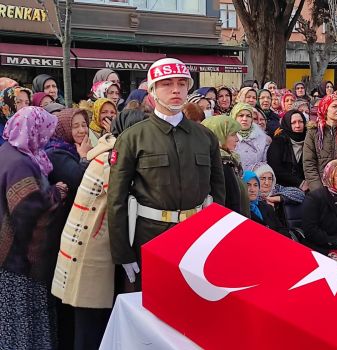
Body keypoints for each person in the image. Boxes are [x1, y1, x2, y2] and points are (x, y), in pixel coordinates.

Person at [108, 58, 226, 291]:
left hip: (197, 239)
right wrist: (123, 252)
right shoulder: (133, 138)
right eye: (167, 83)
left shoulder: (205, 137)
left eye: (182, 83)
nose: (176, 89)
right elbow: (116, 199)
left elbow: (219, 193)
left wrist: (216, 241)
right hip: (151, 239)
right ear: (152, 91)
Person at [50, 108, 145, 350]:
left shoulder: (106, 150)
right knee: (90, 325)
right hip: (89, 250)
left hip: (91, 246)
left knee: (92, 322)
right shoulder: (111, 159)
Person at [0, 107, 63, 350]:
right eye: (44, 131)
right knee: (23, 320)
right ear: (33, 131)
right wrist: (57, 193)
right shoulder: (20, 163)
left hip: (9, 259)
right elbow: (28, 209)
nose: (47, 138)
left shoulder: (9, 151)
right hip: (19, 261)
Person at [267, 110, 307, 190]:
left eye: (300, 122)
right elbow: (275, 167)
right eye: (293, 123)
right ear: (287, 124)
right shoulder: (279, 140)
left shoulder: (309, 139)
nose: (298, 125)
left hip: (307, 185)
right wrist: (299, 183)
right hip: (283, 186)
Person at [242, 170, 288, 236]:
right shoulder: (240, 210)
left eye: (255, 185)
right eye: (248, 185)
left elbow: (281, 229)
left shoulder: (267, 207)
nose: (252, 190)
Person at [233, 102, 270, 171]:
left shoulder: (261, 137)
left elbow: (265, 161)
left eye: (248, 116)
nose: (245, 119)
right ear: (234, 117)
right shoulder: (229, 137)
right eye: (241, 115)